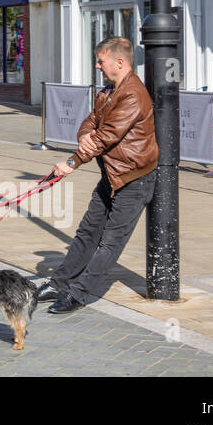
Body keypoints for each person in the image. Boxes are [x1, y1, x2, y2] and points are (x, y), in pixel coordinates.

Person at [39, 37, 159, 315]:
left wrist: (73, 161)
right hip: (112, 175)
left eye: (101, 60)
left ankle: (78, 294)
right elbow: (91, 123)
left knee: (110, 243)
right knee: (87, 233)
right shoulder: (108, 91)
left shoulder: (132, 94)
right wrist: (84, 138)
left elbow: (107, 136)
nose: (97, 65)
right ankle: (59, 283)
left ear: (119, 62)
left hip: (133, 178)